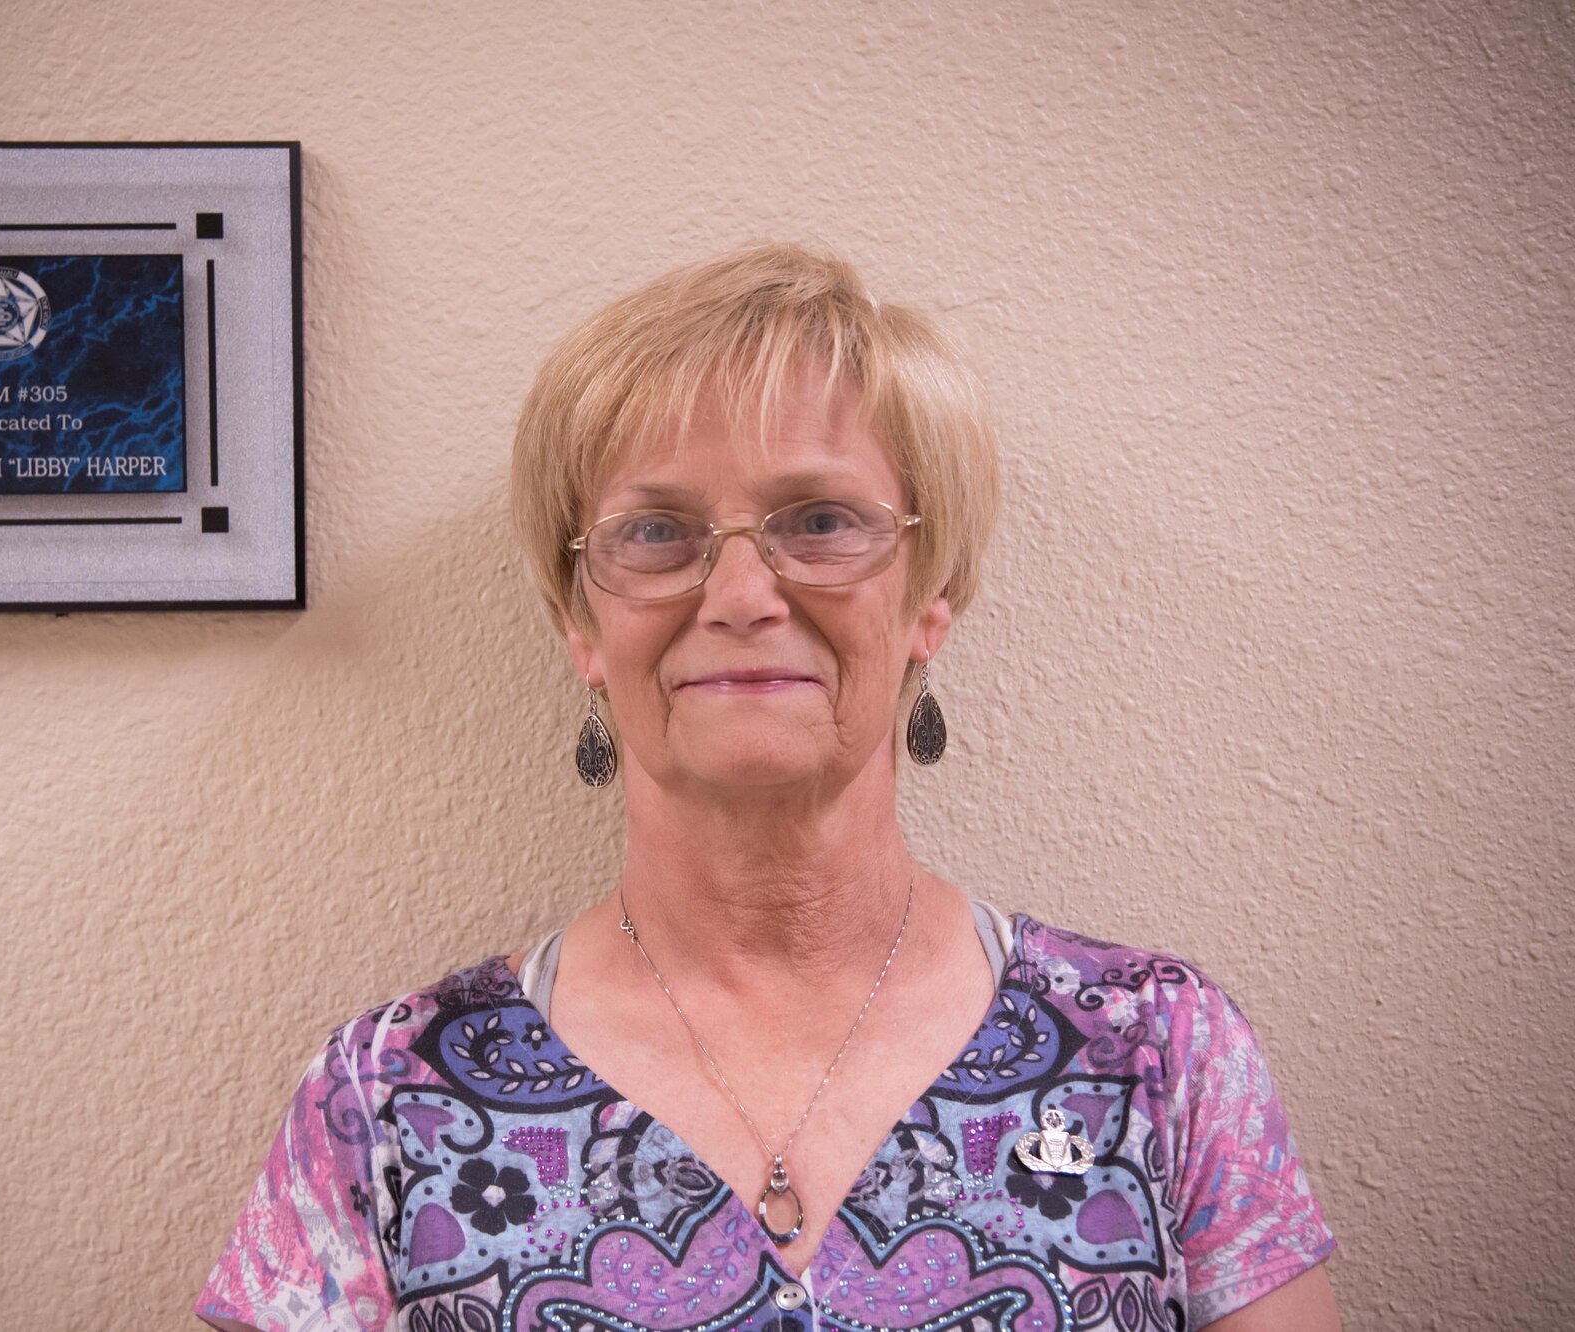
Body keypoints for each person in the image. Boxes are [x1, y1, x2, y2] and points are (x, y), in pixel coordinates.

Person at [195, 244, 1340, 1331]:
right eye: (656, 531)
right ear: (577, 621)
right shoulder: (388, 1101)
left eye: (820, 522)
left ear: (929, 598)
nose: (741, 591)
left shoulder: (1157, 1052)